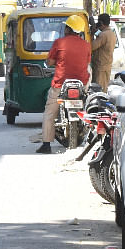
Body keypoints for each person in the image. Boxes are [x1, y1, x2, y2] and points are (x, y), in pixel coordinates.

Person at [33, 14, 91, 154]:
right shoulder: (86, 45)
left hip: (60, 84)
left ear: (68, 29)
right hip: (81, 84)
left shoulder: (59, 43)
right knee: (86, 104)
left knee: (49, 113)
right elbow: (87, 62)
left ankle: (46, 144)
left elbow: (50, 62)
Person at [90, 12, 119, 90]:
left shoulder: (103, 35)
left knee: (98, 89)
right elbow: (101, 36)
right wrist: (96, 31)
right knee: (104, 87)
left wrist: (91, 35)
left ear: (101, 23)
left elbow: (91, 47)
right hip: (106, 65)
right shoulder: (111, 33)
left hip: (100, 67)